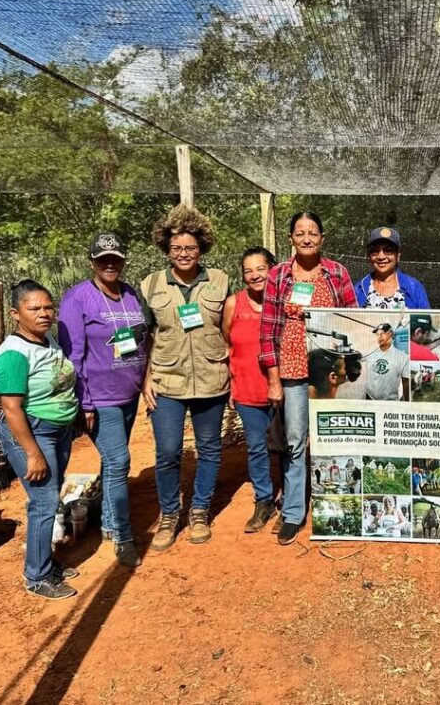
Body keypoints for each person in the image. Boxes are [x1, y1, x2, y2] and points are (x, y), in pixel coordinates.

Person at [260, 211, 358, 545]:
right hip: (292, 370)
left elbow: (352, 319)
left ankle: (335, 505)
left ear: (322, 238)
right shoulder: (278, 275)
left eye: (313, 233)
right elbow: (268, 330)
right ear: (290, 238)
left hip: (327, 371)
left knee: (334, 436)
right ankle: (292, 512)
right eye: (300, 233)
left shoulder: (336, 273)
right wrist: (274, 379)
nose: (306, 238)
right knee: (295, 439)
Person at [140, 204, 232, 551]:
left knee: (209, 449)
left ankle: (199, 510)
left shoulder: (220, 281)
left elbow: (228, 329)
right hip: (167, 380)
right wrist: (145, 379)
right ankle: (169, 515)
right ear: (166, 248)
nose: (183, 253)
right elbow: (145, 337)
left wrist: (231, 369)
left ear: (201, 248)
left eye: (190, 247)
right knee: (167, 452)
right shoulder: (150, 285)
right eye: (176, 247)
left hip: (211, 379)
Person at [58, 233, 145, 568]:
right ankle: (123, 536)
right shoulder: (77, 298)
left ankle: (108, 523)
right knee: (120, 461)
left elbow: (140, 340)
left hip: (129, 393)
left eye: (116, 258)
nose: (110, 264)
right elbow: (72, 355)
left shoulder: (130, 294)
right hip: (99, 397)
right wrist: (84, 402)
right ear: (92, 261)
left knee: (112, 462)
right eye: (103, 259)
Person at [0, 280, 80, 600]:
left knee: (49, 498)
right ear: (15, 313)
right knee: (44, 501)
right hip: (31, 433)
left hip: (57, 430)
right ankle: (36, 576)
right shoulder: (13, 354)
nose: (44, 314)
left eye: (48, 307)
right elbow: (12, 409)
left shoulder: (46, 338)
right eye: (34, 309)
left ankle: (45, 563)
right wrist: (33, 453)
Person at [223, 246, 279, 533]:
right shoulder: (234, 304)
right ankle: (264, 500)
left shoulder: (283, 303)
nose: (255, 275)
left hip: (281, 389)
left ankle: (291, 500)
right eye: (248, 271)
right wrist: (231, 385)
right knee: (257, 448)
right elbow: (227, 343)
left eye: (261, 268)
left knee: (286, 446)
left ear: (273, 270)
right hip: (246, 390)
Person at [354, 227, 431, 309]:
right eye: (375, 251)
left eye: (388, 251)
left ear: (398, 255)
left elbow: (424, 317)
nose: (381, 257)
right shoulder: (359, 289)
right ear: (369, 256)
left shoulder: (414, 288)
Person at [365, 323, 409, 400]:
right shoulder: (370, 354)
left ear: (391, 334)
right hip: (370, 398)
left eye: (383, 333)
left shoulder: (402, 357)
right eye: (377, 334)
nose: (379, 337)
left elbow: (406, 382)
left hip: (390, 401)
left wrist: (406, 401)